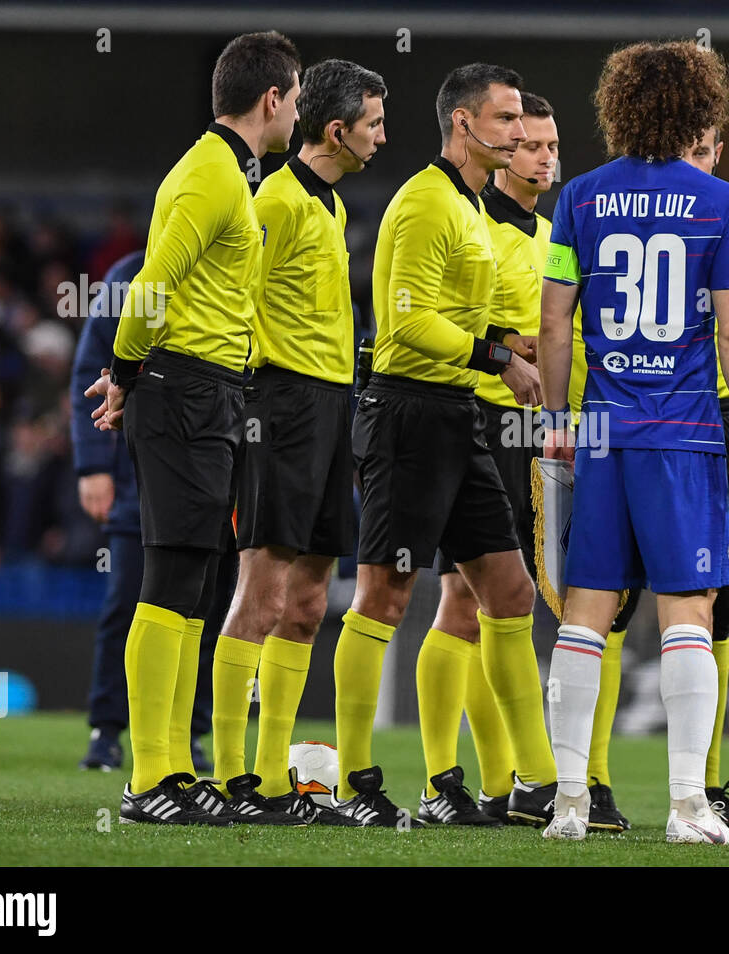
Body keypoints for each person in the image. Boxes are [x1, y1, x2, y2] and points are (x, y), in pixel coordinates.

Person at [538, 40, 729, 845]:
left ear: (620, 107)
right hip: (682, 434)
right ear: (698, 111)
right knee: (689, 611)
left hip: (601, 430)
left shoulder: (580, 197)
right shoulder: (723, 203)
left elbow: (555, 320)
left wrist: (560, 424)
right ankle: (685, 806)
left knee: (584, 613)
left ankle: (567, 805)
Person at [85, 31, 301, 825]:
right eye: (297, 96)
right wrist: (131, 371)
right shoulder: (210, 177)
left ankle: (174, 770)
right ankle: (150, 780)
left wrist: (134, 373)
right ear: (272, 99)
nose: (299, 112)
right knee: (170, 580)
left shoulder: (224, 174)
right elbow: (150, 288)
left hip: (202, 393)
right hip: (183, 392)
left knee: (191, 588)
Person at [332, 63, 557, 827]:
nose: (520, 134)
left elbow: (453, 320)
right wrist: (501, 356)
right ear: (463, 124)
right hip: (407, 416)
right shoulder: (428, 202)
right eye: (506, 120)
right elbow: (405, 327)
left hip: (456, 414)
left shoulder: (464, 205)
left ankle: (535, 786)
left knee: (510, 592)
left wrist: (504, 342)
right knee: (385, 595)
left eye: (521, 120)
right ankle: (356, 783)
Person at [199, 58, 386, 825]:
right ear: (335, 130)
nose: (383, 134)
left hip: (331, 406)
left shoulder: (332, 208)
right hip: (281, 408)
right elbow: (233, 296)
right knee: (264, 590)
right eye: (374, 121)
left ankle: (279, 783)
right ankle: (233, 778)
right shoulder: (273, 201)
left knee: (309, 601)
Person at [71, 250, 231, 775]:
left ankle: (189, 732)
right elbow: (88, 372)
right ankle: (108, 729)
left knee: (202, 604)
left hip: (211, 458)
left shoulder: (229, 264)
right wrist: (92, 466)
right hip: (135, 472)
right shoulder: (129, 277)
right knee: (127, 602)